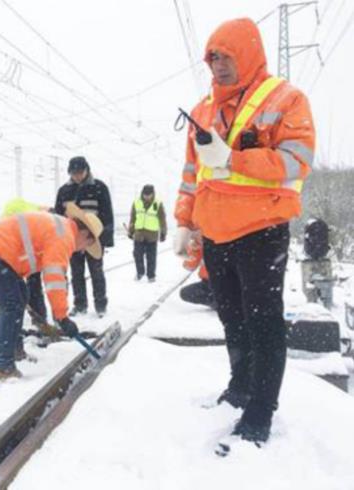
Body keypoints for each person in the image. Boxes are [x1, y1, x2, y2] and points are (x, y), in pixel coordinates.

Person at [173, 18, 314, 445]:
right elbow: (191, 173)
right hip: (216, 234)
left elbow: (296, 160)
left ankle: (260, 412)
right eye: (212, 57)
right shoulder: (202, 110)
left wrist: (233, 159)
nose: (218, 65)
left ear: (247, 54)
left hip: (261, 231)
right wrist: (185, 220)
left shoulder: (287, 100)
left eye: (226, 56)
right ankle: (240, 387)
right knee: (233, 319)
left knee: (264, 324)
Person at [0, 203, 103, 379]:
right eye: (86, 245)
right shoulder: (64, 236)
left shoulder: (63, 228)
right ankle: (3, 366)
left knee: (20, 297)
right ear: (85, 234)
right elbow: (54, 278)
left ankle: (14, 351)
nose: (81, 250)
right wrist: (62, 317)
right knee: (11, 304)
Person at [54, 156, 114, 317]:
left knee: (97, 272)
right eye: (74, 173)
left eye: (80, 172)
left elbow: (107, 214)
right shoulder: (64, 191)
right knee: (76, 273)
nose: (77, 176)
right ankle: (80, 305)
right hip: (72, 240)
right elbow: (58, 217)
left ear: (87, 170)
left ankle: (101, 305)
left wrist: (106, 239)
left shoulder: (99, 187)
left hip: (93, 238)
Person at [1, 197, 51, 323]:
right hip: (24, 246)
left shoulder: (29, 213)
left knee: (27, 283)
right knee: (32, 283)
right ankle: (38, 316)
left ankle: (35, 315)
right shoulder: (38, 217)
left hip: (24, 246)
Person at [128, 184, 167, 282]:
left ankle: (151, 275)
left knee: (151, 257)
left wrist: (163, 232)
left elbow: (162, 219)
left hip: (152, 235)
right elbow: (133, 218)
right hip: (139, 234)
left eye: (149, 195)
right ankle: (140, 272)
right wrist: (130, 230)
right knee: (137, 254)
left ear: (153, 194)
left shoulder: (157, 204)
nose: (147, 197)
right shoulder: (136, 203)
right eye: (145, 195)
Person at [178, 232, 216, 309]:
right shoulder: (201, 242)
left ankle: (220, 302)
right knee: (185, 293)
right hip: (208, 283)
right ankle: (219, 302)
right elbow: (189, 266)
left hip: (226, 282)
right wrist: (194, 250)